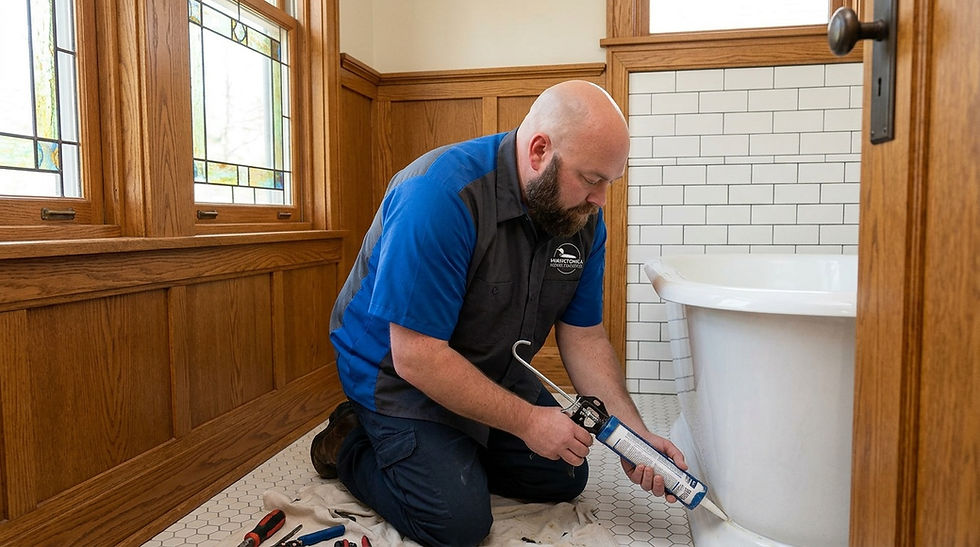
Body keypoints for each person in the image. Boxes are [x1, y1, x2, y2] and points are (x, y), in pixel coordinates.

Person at [312, 80, 688, 546]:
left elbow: (585, 337)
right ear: (538, 151)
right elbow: (416, 356)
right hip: (394, 374)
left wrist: (635, 438)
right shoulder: (437, 195)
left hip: (488, 363)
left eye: (610, 182)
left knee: (565, 474)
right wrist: (528, 422)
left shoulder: (580, 216)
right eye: (592, 179)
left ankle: (453, 445)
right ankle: (349, 440)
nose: (601, 200)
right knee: (456, 524)